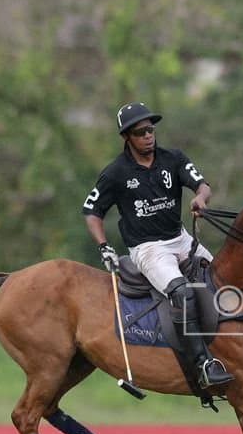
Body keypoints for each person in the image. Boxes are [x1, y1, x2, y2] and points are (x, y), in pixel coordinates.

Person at [82, 101, 233, 389]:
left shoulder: (173, 158)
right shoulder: (116, 172)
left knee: (224, 285)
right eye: (140, 132)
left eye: (150, 129)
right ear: (127, 137)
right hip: (148, 249)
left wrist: (200, 198)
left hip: (181, 239)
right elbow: (92, 212)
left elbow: (202, 185)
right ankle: (202, 365)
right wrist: (104, 246)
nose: (148, 136)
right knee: (182, 292)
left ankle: (239, 354)